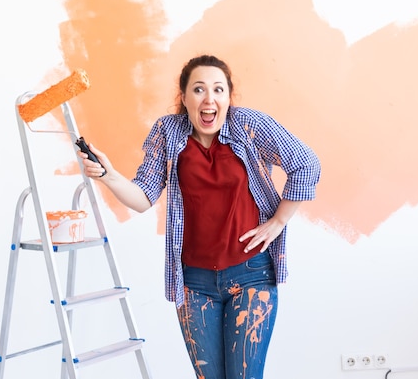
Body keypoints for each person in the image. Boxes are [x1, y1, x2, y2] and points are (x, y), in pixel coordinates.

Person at [77, 54, 321, 379]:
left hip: (250, 277)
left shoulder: (250, 126)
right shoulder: (168, 132)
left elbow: (306, 164)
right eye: (199, 89)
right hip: (194, 285)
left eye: (218, 90)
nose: (210, 99)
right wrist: (108, 175)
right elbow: (142, 197)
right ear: (184, 97)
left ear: (229, 97)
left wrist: (277, 222)